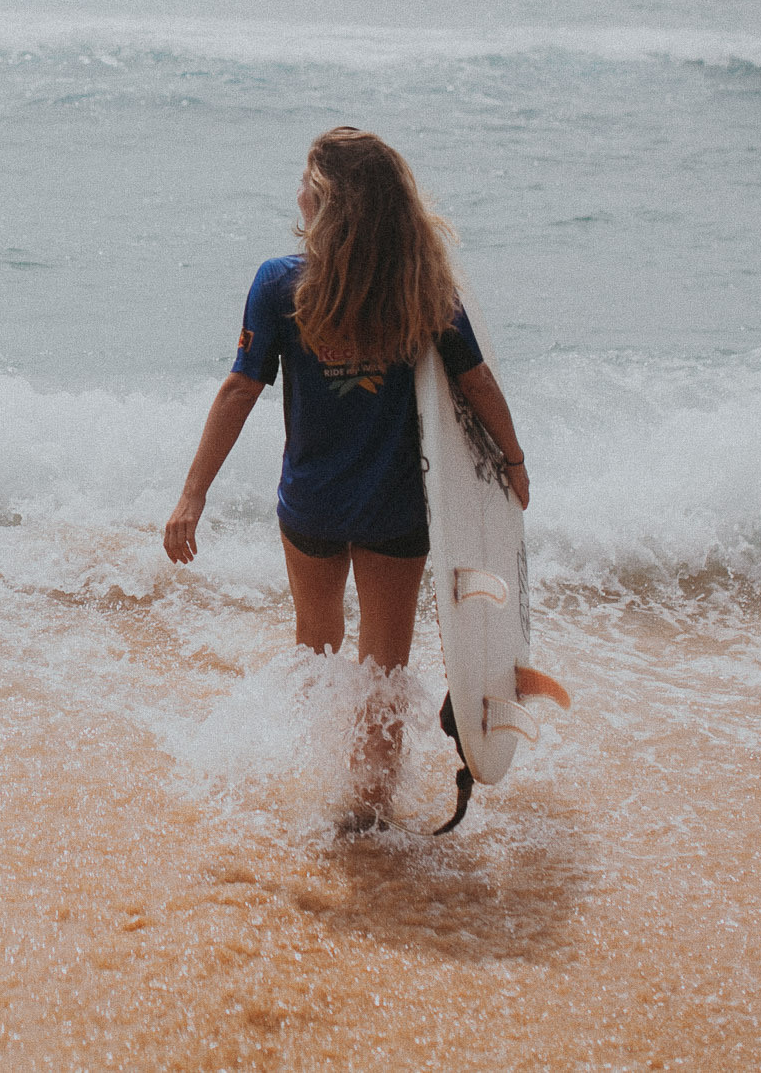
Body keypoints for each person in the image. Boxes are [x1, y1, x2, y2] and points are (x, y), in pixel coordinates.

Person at [162, 127, 528, 812]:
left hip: (312, 506)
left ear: (327, 201)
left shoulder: (280, 284)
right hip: (395, 509)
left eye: (305, 177)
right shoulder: (424, 286)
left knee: (315, 649)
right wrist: (512, 461)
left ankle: (313, 780)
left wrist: (192, 494)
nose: (295, 188)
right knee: (384, 669)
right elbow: (475, 381)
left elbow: (240, 389)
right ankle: (367, 806)